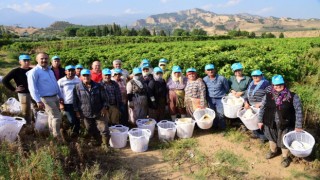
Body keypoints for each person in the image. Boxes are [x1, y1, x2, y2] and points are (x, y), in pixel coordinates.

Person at [258, 75, 303, 167]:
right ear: (272, 85)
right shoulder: (268, 95)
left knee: (284, 140)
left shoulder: (293, 96)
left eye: (280, 84)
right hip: (269, 122)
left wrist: (298, 125)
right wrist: (260, 120)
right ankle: (273, 151)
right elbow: (262, 108)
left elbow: (299, 111)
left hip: (285, 123)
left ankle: (285, 157)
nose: (277, 86)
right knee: (271, 137)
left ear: (284, 84)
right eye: (275, 85)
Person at [27, 52, 64, 139]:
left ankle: (52, 133)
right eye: (42, 59)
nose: (44, 60)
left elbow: (55, 84)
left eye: (46, 59)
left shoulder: (50, 71)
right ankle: (57, 136)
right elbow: (32, 88)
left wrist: (60, 95)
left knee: (52, 116)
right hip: (45, 98)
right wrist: (38, 100)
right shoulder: (34, 72)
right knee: (57, 116)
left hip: (54, 96)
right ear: (37, 60)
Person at [73, 69, 110, 150]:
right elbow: (75, 101)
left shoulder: (98, 86)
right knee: (90, 129)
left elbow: (105, 99)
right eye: (84, 75)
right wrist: (77, 111)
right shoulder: (77, 87)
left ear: (90, 76)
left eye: (87, 75)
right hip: (85, 113)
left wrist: (104, 107)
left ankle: (105, 145)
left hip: (99, 112)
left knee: (104, 129)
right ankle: (97, 142)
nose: (86, 77)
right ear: (81, 77)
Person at [2, 54, 33, 123]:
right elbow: (5, 80)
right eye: (24, 61)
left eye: (28, 60)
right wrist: (14, 89)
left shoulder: (32, 70)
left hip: (34, 93)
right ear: (20, 62)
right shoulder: (16, 71)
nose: (27, 62)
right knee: (26, 111)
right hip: (24, 93)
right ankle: (26, 124)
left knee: (34, 108)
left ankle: (34, 122)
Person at [244, 70, 270, 141]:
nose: (255, 77)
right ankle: (256, 134)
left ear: (261, 76)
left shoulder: (266, 83)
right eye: (253, 76)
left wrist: (261, 104)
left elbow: (269, 96)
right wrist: (246, 102)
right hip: (252, 106)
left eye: (257, 75)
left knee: (260, 121)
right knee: (253, 121)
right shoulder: (251, 83)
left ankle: (264, 137)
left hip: (261, 106)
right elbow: (247, 94)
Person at [203, 64, 230, 130]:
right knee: (212, 113)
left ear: (215, 70)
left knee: (221, 113)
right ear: (205, 71)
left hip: (220, 98)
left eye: (212, 69)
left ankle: (222, 128)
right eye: (208, 70)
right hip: (210, 99)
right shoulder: (204, 79)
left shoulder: (222, 78)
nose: (210, 71)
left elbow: (227, 88)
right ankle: (214, 127)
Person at [57, 65, 81, 136]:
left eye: (72, 71)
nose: (70, 72)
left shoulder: (78, 80)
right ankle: (72, 133)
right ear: (65, 72)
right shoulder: (61, 81)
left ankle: (77, 134)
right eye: (69, 71)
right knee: (71, 120)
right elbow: (58, 93)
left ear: (75, 71)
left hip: (77, 103)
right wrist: (61, 103)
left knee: (78, 119)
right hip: (67, 103)